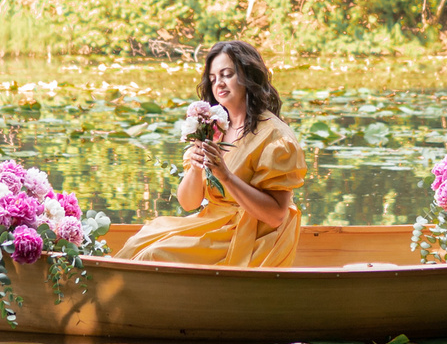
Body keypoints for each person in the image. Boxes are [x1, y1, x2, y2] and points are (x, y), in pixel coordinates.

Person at [114, 40, 308, 268]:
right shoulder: (213, 126)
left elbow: (276, 216)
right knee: (137, 243)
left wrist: (225, 176)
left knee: (154, 255)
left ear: (248, 76)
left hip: (254, 235)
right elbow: (189, 203)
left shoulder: (276, 137)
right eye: (214, 78)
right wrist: (196, 168)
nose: (219, 84)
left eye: (227, 74)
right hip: (215, 222)